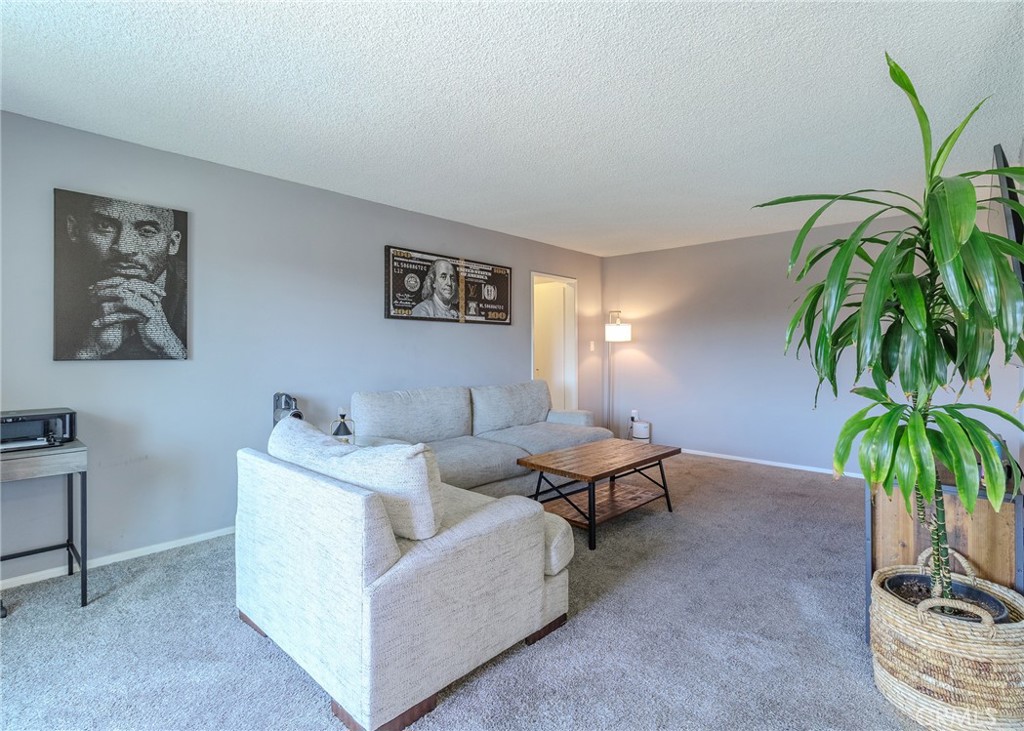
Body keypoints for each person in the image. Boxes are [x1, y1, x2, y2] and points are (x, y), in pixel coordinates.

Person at [54, 192, 187, 360]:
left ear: (172, 243)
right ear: (75, 230)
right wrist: (89, 351)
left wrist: (170, 347)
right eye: (104, 226)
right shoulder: (50, 290)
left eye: (147, 231)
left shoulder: (205, 294)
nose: (124, 248)